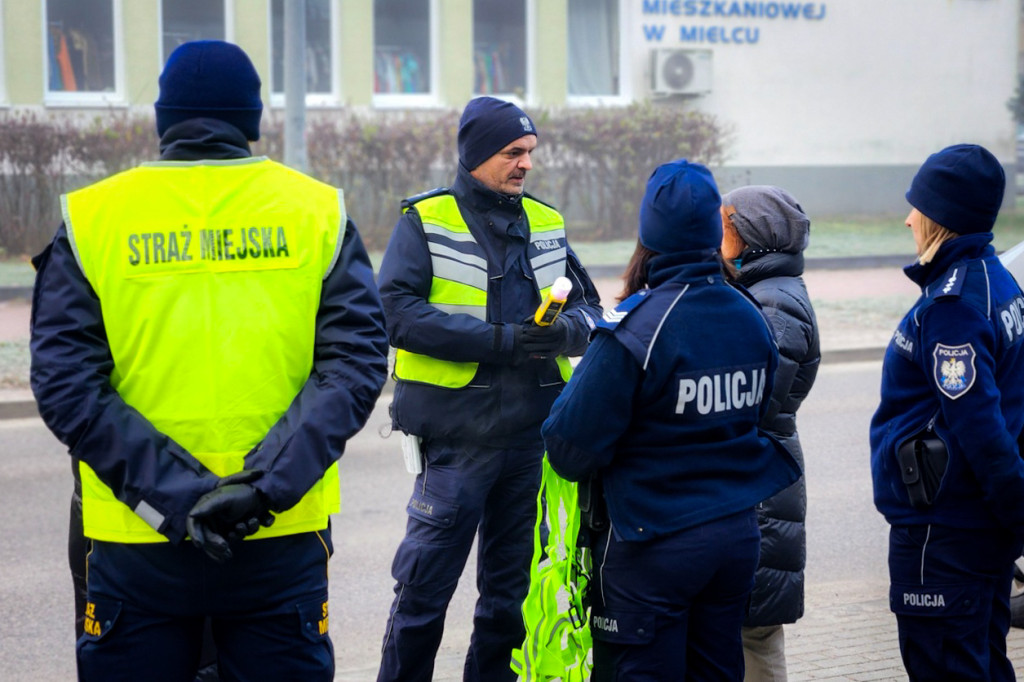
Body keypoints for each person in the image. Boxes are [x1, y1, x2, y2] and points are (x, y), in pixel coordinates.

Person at [29, 40, 388, 681]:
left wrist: (176, 499)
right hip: (278, 536)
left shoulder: (93, 220)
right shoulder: (317, 214)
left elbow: (66, 386)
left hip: (138, 545)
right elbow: (354, 366)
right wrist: (260, 491)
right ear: (251, 120)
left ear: (163, 119)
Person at [542, 158, 801, 680]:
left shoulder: (637, 327)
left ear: (649, 233)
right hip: (733, 539)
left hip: (652, 545)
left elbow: (569, 450)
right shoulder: (749, 315)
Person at [374, 95, 603, 682]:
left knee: (507, 603)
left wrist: (560, 337)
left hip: (528, 443)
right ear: (475, 155)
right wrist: (499, 341)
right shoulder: (425, 221)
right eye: (511, 152)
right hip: (455, 443)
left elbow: (591, 314)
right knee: (422, 598)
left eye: (529, 152)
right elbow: (395, 314)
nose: (525, 164)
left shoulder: (546, 223)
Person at [870, 143, 1024, 682]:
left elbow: (980, 428)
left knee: (946, 665)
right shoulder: (995, 282)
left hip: (944, 532)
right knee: (983, 661)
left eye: (919, 205)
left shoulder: (953, 307)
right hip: (975, 529)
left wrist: (1014, 516)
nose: (909, 217)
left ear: (943, 217)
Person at [720, 186, 820, 681]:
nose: (715, 235)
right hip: (759, 484)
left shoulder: (775, 304)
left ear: (749, 234)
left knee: (754, 633)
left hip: (763, 495)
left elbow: (750, 404)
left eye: (724, 223)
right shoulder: (761, 291)